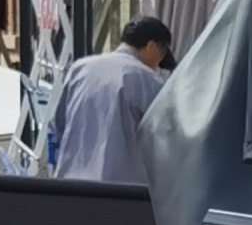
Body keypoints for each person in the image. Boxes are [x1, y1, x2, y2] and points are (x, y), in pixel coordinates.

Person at [47, 15, 173, 185]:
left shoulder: (79, 69)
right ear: (151, 46)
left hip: (71, 186)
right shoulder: (148, 80)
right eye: (162, 55)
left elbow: (56, 126)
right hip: (120, 190)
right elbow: (166, 139)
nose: (159, 65)